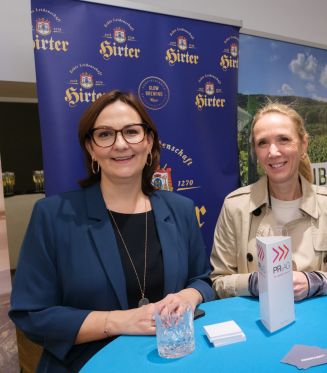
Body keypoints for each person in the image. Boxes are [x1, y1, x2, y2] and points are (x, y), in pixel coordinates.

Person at [9, 90, 214, 372]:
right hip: (85, 364)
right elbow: (32, 313)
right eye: (105, 134)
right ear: (91, 148)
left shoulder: (180, 209)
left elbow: (202, 279)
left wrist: (188, 297)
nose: (120, 144)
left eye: (132, 131)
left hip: (170, 362)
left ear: (149, 141)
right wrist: (118, 321)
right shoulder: (53, 215)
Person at [211, 102, 327, 301]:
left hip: (318, 326)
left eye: (283, 139)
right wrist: (256, 283)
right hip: (259, 325)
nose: (273, 152)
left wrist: (314, 282)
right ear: (255, 151)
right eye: (263, 143)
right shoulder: (235, 206)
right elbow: (218, 282)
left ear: (303, 144)